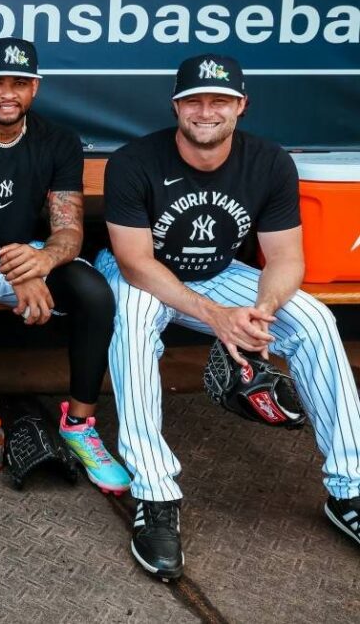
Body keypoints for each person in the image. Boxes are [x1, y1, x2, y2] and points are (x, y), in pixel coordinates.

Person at [98, 53, 360, 579]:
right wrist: (217, 318)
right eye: (194, 100)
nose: (206, 111)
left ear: (241, 105)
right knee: (131, 325)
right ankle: (155, 493)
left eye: (219, 100)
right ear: (176, 106)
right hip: (147, 271)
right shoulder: (134, 161)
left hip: (220, 271)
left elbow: (286, 257)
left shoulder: (268, 162)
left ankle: (349, 488)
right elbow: (134, 261)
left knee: (311, 320)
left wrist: (261, 313)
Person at [0, 37, 129, 503]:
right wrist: (19, 270)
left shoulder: (58, 140)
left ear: (35, 88)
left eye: (20, 83)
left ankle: (78, 424)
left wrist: (44, 261)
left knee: (95, 293)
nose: (8, 93)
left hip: (34, 253)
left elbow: (69, 232)